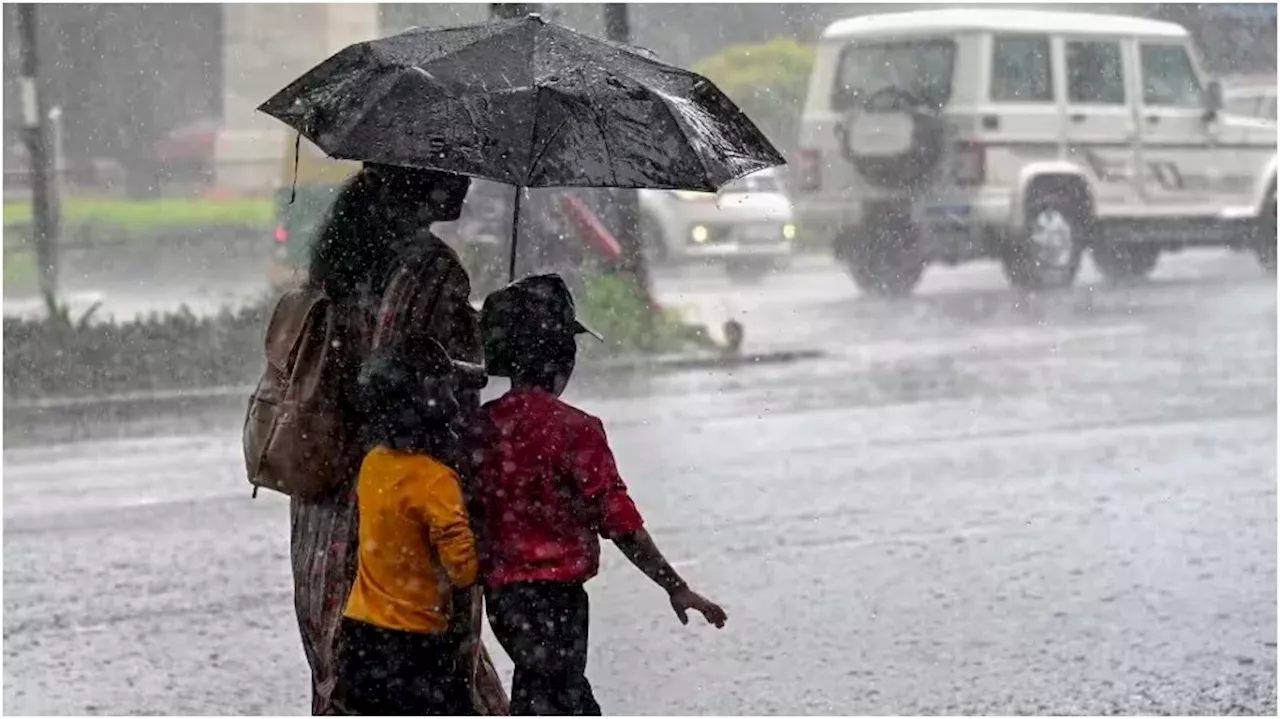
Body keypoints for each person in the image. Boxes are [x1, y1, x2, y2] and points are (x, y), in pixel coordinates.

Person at [290, 164, 509, 716]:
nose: (467, 181)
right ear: (414, 178)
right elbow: (405, 378)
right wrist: (483, 350)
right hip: (401, 495)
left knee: (344, 661)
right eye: (451, 169)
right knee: (435, 664)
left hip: (329, 489)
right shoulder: (427, 268)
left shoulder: (341, 257)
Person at [469, 274, 729, 716]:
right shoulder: (577, 431)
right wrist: (675, 586)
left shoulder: (479, 429)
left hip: (501, 601)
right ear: (563, 358)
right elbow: (620, 523)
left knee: (538, 689)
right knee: (563, 694)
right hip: (559, 600)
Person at [331, 340, 479, 715]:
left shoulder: (373, 465)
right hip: (415, 649)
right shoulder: (436, 481)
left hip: (359, 636)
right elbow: (464, 570)